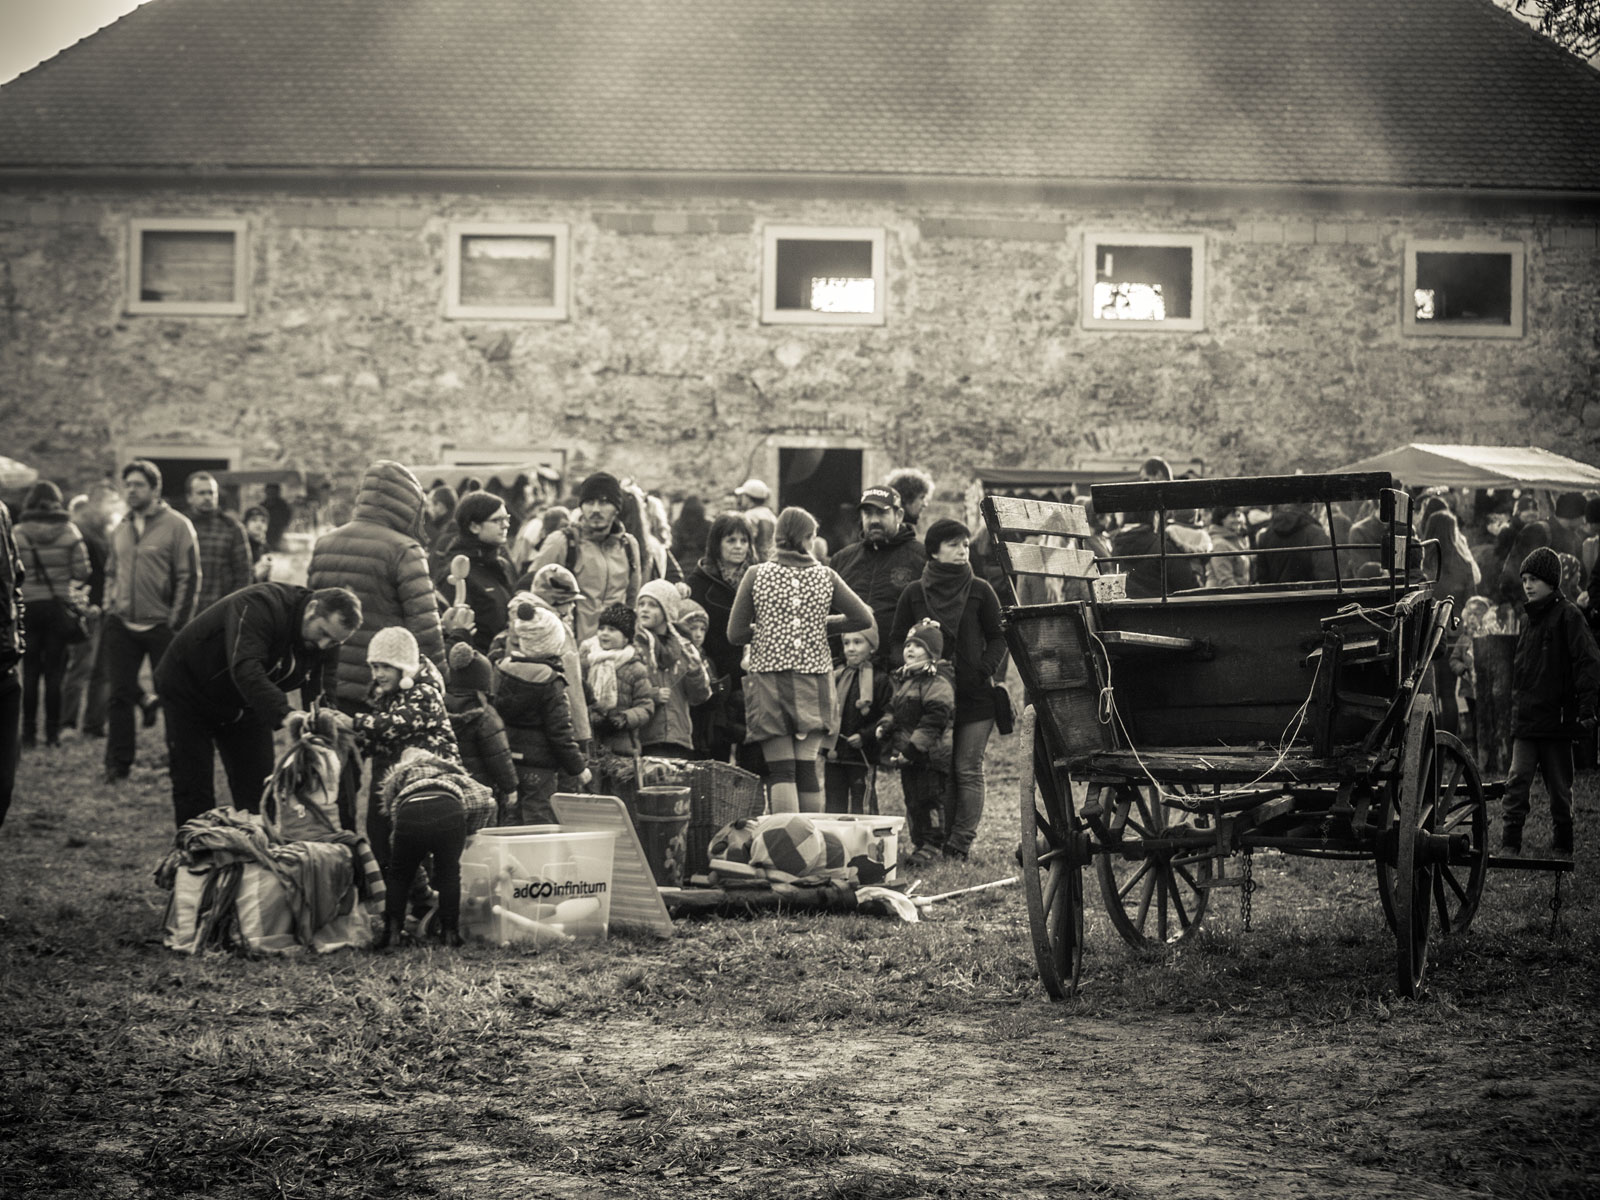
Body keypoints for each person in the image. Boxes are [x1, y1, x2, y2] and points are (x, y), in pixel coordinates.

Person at [153, 584, 361, 826]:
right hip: (190, 690)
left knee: (259, 789)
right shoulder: (260, 605)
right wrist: (286, 715)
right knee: (194, 785)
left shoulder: (326, 641)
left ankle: (258, 846)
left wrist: (323, 726)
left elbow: (323, 687)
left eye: (334, 642)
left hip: (248, 702)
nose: (324, 645)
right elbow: (246, 668)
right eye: (322, 632)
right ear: (312, 609)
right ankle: (196, 846)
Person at [727, 507, 874, 813]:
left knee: (782, 771)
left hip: (770, 680)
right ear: (808, 538)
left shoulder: (757, 575)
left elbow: (736, 633)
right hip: (815, 682)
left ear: (778, 536)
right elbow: (863, 617)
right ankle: (810, 837)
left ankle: (787, 839)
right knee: (806, 768)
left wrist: (768, 629)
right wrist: (819, 625)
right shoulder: (826, 576)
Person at [888, 518, 1007, 861]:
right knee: (937, 770)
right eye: (954, 544)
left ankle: (960, 843)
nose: (962, 551)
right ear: (934, 551)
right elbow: (896, 641)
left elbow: (999, 636)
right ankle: (935, 841)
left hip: (975, 696)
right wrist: (911, 669)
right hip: (930, 700)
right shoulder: (914, 593)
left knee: (967, 769)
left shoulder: (980, 589)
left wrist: (983, 669)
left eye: (966, 544)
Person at [307, 460, 447, 715]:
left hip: (330, 681)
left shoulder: (324, 544)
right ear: (407, 503)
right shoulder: (405, 550)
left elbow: (310, 615)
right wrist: (439, 681)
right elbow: (424, 628)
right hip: (383, 686)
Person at [103, 460, 200, 782]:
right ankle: (118, 764)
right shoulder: (121, 526)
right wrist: (108, 605)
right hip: (121, 623)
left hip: (161, 626)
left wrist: (176, 622)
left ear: (155, 489)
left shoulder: (178, 526)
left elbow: (189, 576)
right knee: (119, 695)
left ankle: (179, 761)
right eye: (128, 484)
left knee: (172, 696)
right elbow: (111, 571)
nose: (131, 490)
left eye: (139, 485)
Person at [1502, 546, 1600, 857]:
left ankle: (1563, 842)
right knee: (1517, 780)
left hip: (1557, 721)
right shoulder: (1527, 620)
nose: (1528, 585)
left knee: (1559, 787)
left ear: (1551, 581)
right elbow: (1521, 673)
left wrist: (1586, 707)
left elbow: (1587, 662)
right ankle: (1510, 841)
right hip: (1527, 720)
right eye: (1524, 579)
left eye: (1534, 579)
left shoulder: (1569, 616)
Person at [492, 599, 591, 824]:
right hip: (540, 765)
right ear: (552, 643)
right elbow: (560, 732)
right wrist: (578, 767)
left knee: (512, 816)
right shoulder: (550, 681)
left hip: (508, 761)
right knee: (538, 818)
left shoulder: (502, 670)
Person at [14, 481, 91, 749]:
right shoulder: (70, 531)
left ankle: (28, 734)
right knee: (55, 673)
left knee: (30, 673)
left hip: (27, 608)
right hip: (57, 608)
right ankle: (52, 734)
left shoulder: (17, 533)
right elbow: (82, 572)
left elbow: (8, 572)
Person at [876, 619, 956, 866]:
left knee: (928, 800)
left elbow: (934, 721)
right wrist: (885, 725)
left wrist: (913, 749)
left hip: (929, 756)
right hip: (908, 756)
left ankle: (933, 844)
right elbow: (894, 710)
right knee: (912, 801)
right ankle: (919, 843)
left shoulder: (938, 682)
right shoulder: (906, 680)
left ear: (932, 653)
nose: (910, 649)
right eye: (908, 644)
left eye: (918, 645)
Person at [529, 471, 641, 644]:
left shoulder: (628, 546)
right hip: (571, 647)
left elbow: (632, 601)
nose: (595, 509)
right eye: (589, 502)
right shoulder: (561, 542)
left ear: (617, 508)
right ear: (581, 507)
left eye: (604, 502)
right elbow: (532, 596)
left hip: (613, 651)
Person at [686, 512, 760, 767]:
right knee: (715, 758)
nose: (738, 546)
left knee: (754, 759)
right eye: (731, 540)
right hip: (715, 681)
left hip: (752, 679)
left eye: (743, 540)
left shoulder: (760, 579)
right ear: (717, 543)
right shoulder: (698, 582)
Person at [829, 486, 927, 667]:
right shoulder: (842, 560)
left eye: (881, 513)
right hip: (848, 670)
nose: (874, 520)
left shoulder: (922, 559)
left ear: (899, 515)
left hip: (899, 669)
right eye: (868, 513)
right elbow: (828, 613)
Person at [633, 579, 711, 758]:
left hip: (679, 738)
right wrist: (651, 695)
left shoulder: (685, 648)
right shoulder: (634, 645)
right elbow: (624, 690)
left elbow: (699, 697)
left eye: (653, 605)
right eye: (641, 604)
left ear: (667, 610)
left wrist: (695, 674)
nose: (644, 609)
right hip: (644, 739)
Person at [442, 642, 519, 824]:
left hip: (449, 791)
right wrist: (510, 788)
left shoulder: (440, 707)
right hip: (482, 793)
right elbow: (499, 756)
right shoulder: (486, 716)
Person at [435, 491, 517, 654]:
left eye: (506, 518)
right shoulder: (458, 572)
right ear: (474, 526)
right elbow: (456, 633)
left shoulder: (502, 565)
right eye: (497, 520)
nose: (505, 525)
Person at [579, 603, 656, 770]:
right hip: (590, 745)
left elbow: (646, 707)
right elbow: (578, 699)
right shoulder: (586, 662)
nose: (604, 633)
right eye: (602, 628)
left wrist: (625, 718)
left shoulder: (636, 668)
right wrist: (592, 715)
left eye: (612, 630)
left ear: (626, 638)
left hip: (623, 749)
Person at [824, 625, 890, 814]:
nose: (850, 648)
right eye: (846, 643)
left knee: (863, 804)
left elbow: (887, 715)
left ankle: (866, 833)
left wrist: (865, 736)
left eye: (857, 642)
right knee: (833, 804)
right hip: (835, 753)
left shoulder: (880, 679)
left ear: (872, 647)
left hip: (863, 755)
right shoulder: (837, 676)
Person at [61, 490, 111, 734]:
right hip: (89, 609)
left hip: (97, 607)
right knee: (85, 667)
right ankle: (74, 722)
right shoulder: (85, 537)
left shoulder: (97, 535)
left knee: (93, 668)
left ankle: (90, 722)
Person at [184, 472, 251, 617]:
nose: (207, 497)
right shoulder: (180, 527)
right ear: (189, 497)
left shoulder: (232, 528)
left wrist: (231, 608)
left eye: (211, 493)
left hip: (219, 610)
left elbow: (244, 574)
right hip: (185, 611)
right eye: (201, 493)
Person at [1110, 511, 1202, 598]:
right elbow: (1189, 588)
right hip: (1164, 607)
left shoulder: (1116, 547)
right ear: (1153, 516)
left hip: (1128, 608)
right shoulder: (1163, 547)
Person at [0, 501, 22, 832]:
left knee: (3, 786)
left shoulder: (1, 513)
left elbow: (14, 581)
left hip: (4, 665)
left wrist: (16, 640)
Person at [1254, 501, 1334, 585]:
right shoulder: (1316, 534)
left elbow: (1262, 579)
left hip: (1277, 593)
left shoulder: (1265, 536)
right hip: (1309, 592)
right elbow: (1327, 576)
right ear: (1310, 507)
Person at [733, 478, 778, 562]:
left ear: (748, 497)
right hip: (771, 560)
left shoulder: (749, 516)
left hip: (756, 562)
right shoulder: (771, 515)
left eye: (743, 496)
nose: (741, 499)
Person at [1206, 506, 1252, 588]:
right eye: (1233, 516)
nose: (1238, 520)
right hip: (1223, 594)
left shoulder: (1236, 539)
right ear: (1221, 519)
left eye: (1238, 515)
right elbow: (1226, 582)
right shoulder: (1219, 544)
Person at [424, 485, 458, 579]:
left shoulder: (449, 533)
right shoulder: (448, 529)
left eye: (429, 505)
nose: (428, 510)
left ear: (440, 506)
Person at [670, 496, 711, 570]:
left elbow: (676, 549)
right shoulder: (708, 524)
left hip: (682, 566)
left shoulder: (678, 524)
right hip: (703, 565)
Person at [242, 505, 273, 581]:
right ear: (246, 524)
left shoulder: (265, 547)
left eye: (263, 521)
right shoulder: (241, 545)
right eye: (254, 520)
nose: (259, 524)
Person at [261, 482, 292, 551]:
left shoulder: (283, 506)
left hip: (279, 533)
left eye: (273, 492)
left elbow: (287, 519)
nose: (271, 494)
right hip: (265, 533)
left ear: (277, 492)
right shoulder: (262, 506)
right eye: (269, 492)